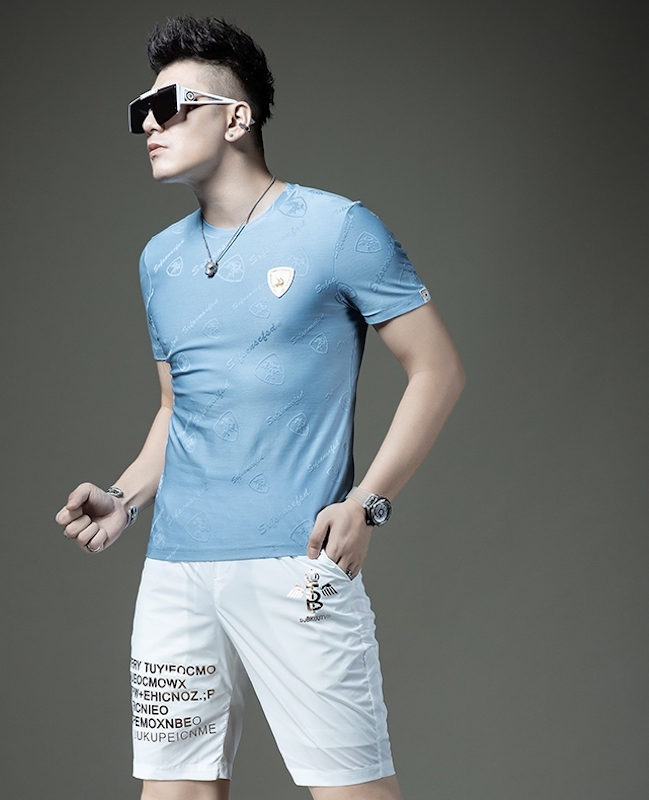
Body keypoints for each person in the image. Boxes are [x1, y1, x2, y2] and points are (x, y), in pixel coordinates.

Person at [56, 16, 464, 800]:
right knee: (173, 794)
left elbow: (438, 371)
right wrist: (124, 498)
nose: (149, 124)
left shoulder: (339, 229)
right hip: (175, 572)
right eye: (140, 111)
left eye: (168, 105)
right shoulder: (159, 260)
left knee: (352, 792)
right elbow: (179, 407)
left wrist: (367, 502)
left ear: (236, 117)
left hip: (295, 564)